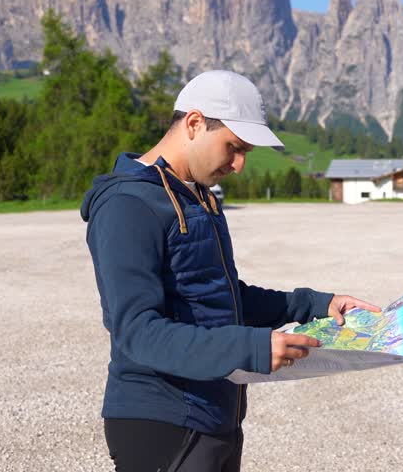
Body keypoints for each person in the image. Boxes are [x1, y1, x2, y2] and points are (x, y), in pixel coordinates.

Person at [81, 69, 380, 471]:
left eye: (246, 153)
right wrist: (252, 348)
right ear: (194, 123)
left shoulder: (197, 196)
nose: (239, 165)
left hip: (217, 414)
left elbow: (223, 296)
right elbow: (137, 331)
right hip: (162, 424)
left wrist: (317, 305)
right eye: (233, 147)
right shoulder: (127, 205)